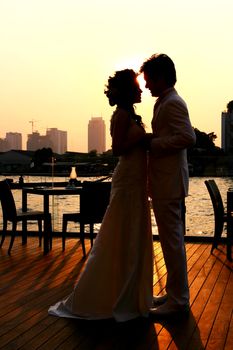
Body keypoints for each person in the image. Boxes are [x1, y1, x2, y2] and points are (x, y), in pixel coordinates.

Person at [48, 69, 154, 322]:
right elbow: (117, 149)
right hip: (127, 180)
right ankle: (108, 296)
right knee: (120, 233)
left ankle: (132, 293)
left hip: (136, 180)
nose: (141, 91)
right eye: (137, 87)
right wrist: (142, 138)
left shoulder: (130, 115)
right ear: (129, 92)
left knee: (133, 235)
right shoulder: (119, 115)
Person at [140, 54, 196, 318]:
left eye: (149, 79)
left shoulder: (173, 103)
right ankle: (175, 294)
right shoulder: (165, 102)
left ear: (161, 77)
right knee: (170, 241)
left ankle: (179, 300)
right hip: (165, 181)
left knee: (172, 242)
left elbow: (187, 137)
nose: (147, 85)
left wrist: (152, 144)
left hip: (169, 182)